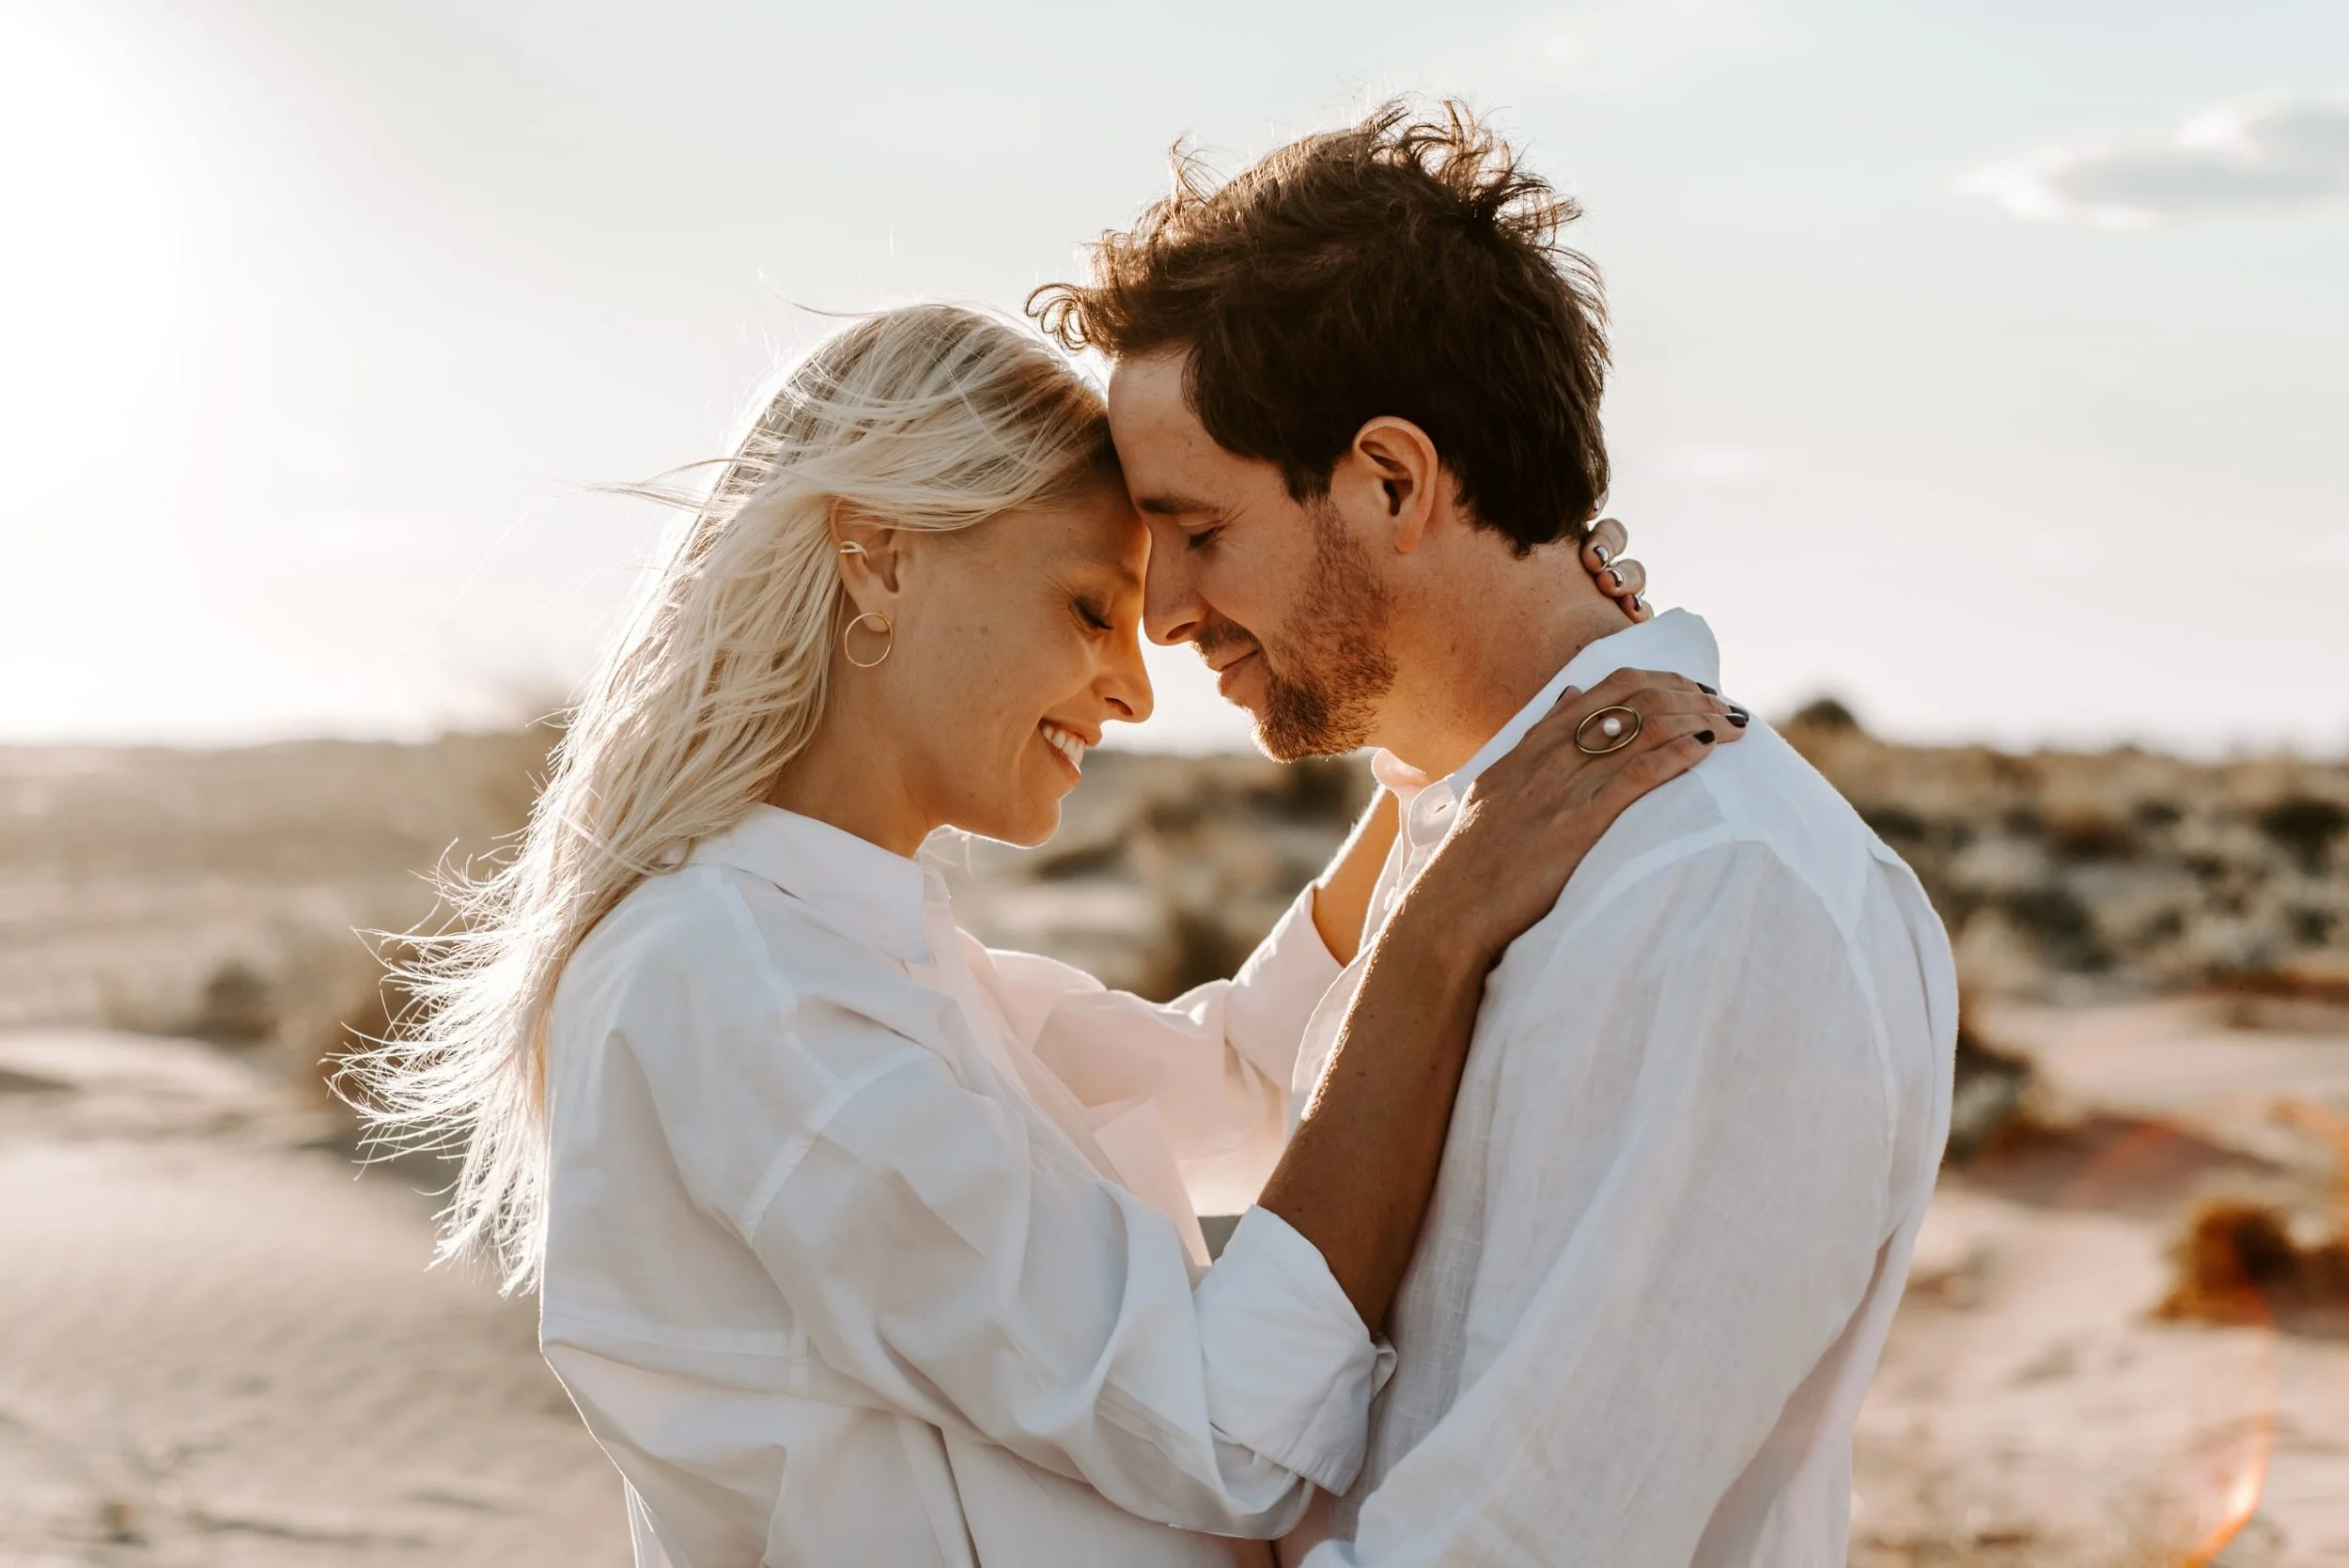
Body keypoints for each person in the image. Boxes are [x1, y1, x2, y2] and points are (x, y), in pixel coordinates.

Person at [341, 302, 1731, 1566]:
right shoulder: (737, 989)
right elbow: (1226, 1433)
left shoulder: (865, 953)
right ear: (876, 561)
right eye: (1087, 609)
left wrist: (1455, 750)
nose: (1133, 689)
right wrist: (1446, 921)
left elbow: (1242, 1088)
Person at [1032, 100, 1959, 1567]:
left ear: (1392, 481)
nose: (1164, 614)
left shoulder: (1715, 895)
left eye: (1199, 532)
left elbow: (1520, 1540)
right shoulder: (1479, 838)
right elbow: (1232, 1091)